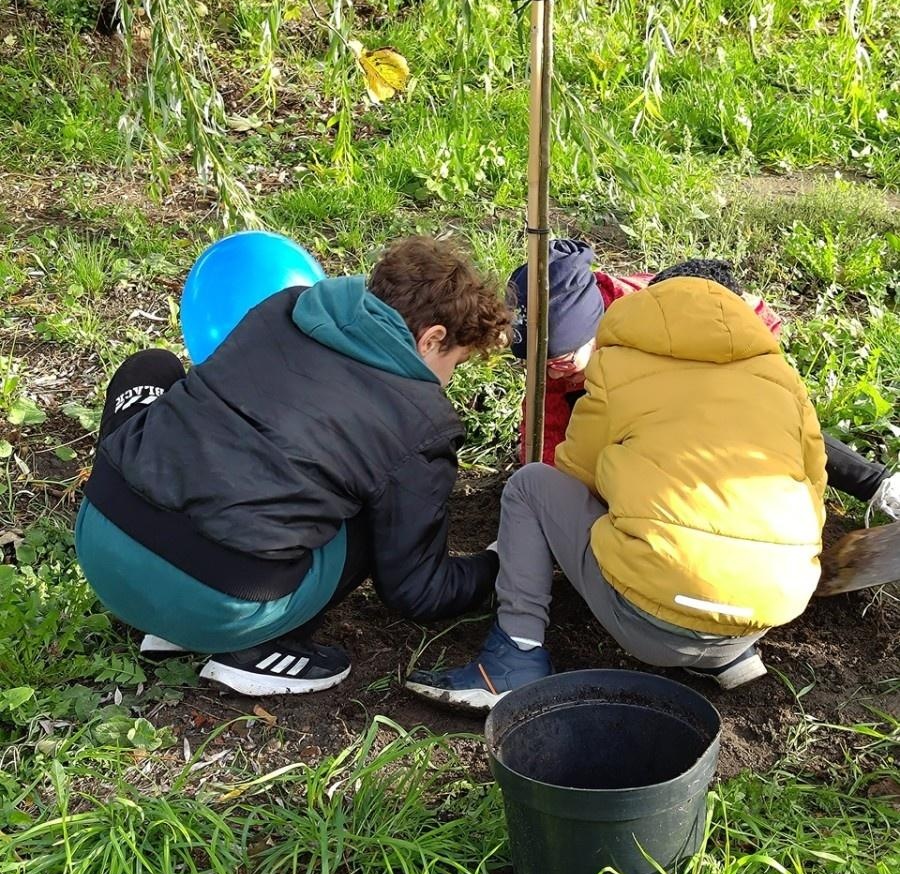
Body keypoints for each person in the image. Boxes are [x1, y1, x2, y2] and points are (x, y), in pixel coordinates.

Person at [75, 236, 509, 697]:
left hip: (103, 552)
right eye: (455, 364)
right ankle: (257, 649)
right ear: (432, 338)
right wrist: (498, 564)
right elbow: (418, 590)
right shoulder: (420, 424)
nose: (447, 381)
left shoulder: (286, 305)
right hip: (220, 603)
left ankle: (163, 608)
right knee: (371, 509)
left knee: (151, 367)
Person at [407, 257, 830, 708]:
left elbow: (576, 474)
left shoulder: (620, 365)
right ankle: (726, 656)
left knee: (531, 486)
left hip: (648, 622)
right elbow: (815, 484)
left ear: (655, 303)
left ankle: (514, 656)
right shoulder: (782, 378)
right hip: (767, 609)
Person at [511, 240, 898, 518]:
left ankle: (879, 485)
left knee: (760, 418)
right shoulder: (557, 374)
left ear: (595, 326)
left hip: (697, 368)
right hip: (626, 411)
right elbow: (547, 439)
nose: (550, 370)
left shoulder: (659, 309)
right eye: (539, 363)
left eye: (560, 360)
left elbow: (748, 324)